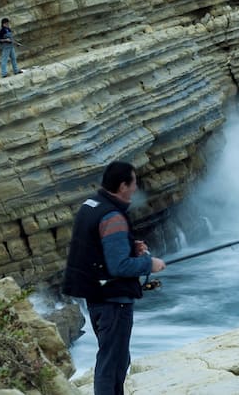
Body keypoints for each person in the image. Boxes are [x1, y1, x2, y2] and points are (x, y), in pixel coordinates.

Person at [62, 161, 166, 395]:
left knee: (115, 357)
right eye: (134, 183)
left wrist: (130, 245)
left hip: (95, 296)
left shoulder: (90, 205)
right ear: (122, 186)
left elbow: (94, 245)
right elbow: (119, 266)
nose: (136, 187)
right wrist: (150, 263)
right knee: (113, 363)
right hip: (113, 301)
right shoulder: (113, 217)